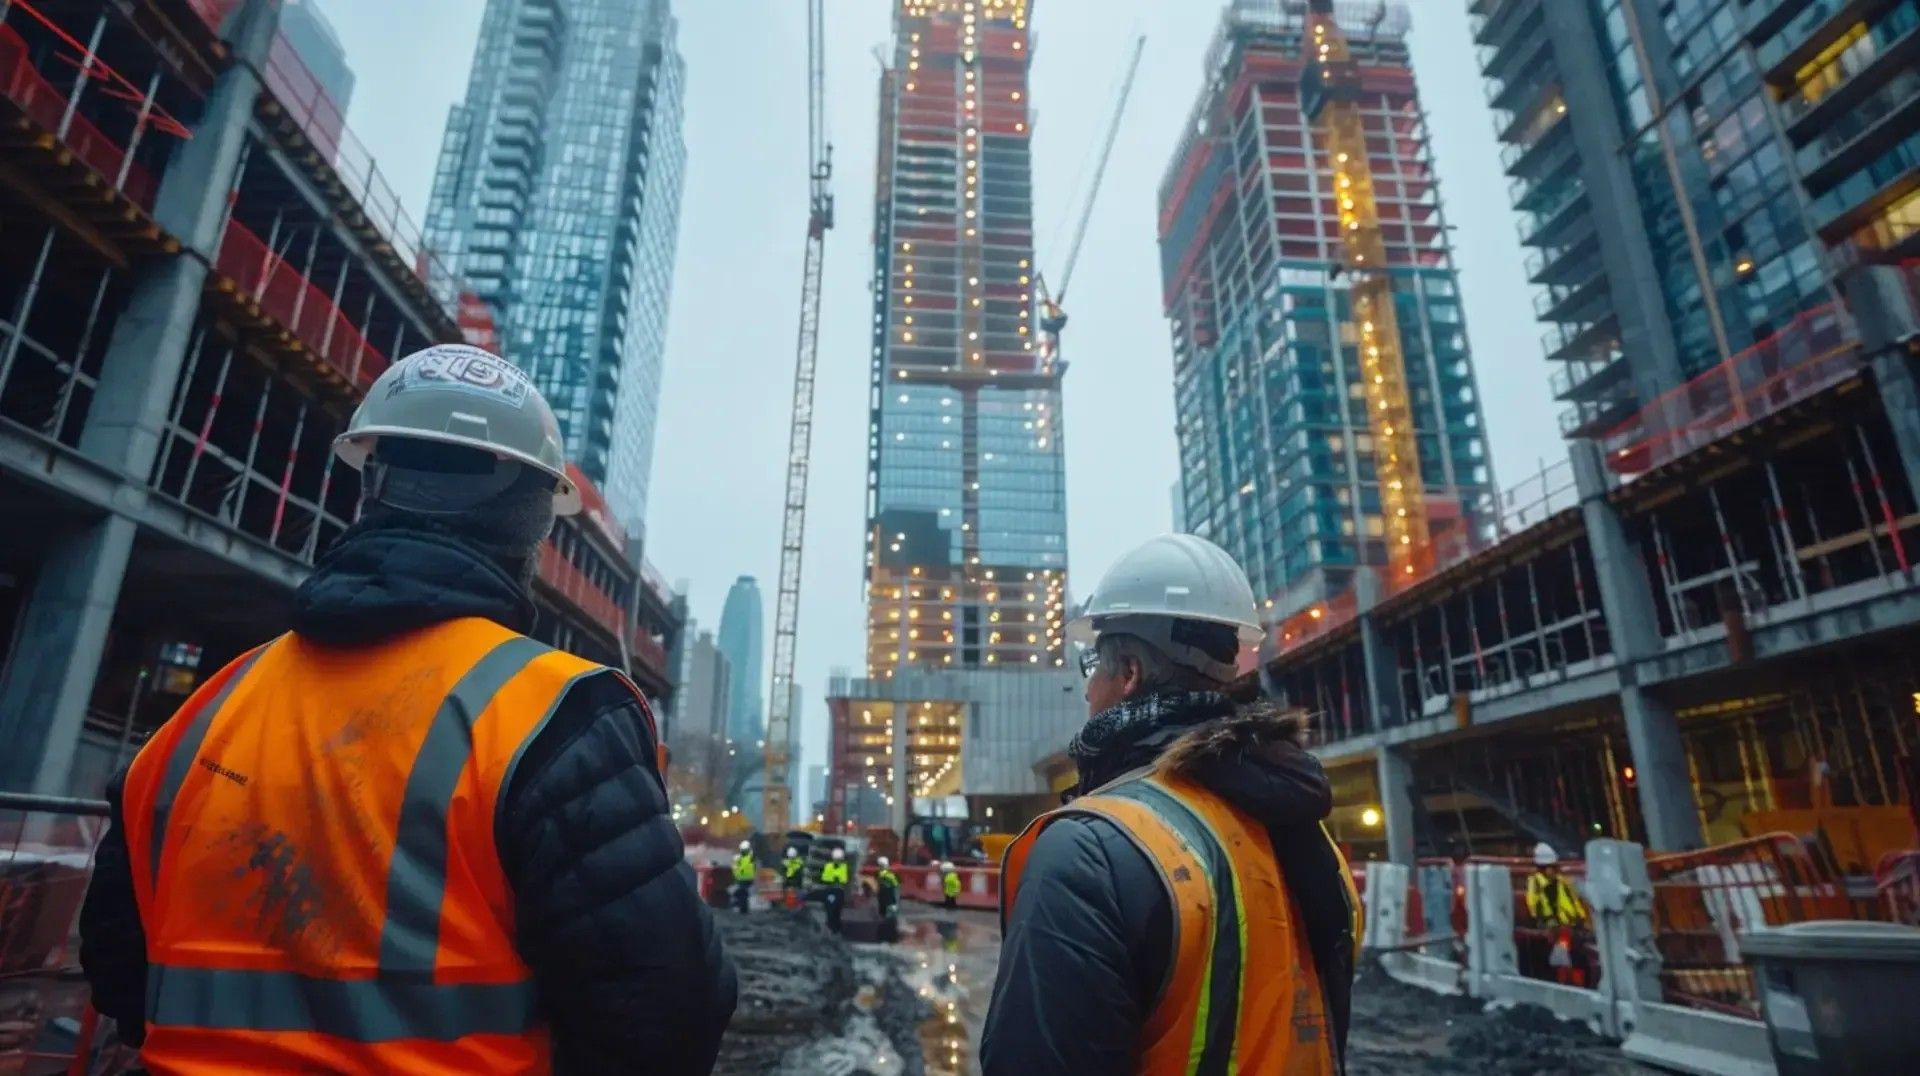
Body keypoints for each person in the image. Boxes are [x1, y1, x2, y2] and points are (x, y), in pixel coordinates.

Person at [77, 345, 736, 1074]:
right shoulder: (555, 716)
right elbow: (666, 1015)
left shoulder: (205, 712)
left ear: (373, 487)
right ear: (531, 524)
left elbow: (114, 965)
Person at [982, 533, 1361, 1075]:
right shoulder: (1310, 839)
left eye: (1093, 665)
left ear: (1129, 672)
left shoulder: (1090, 851)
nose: (1087, 690)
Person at [1526, 842, 1589, 987]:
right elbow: (1535, 904)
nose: (1552, 870)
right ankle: (1564, 981)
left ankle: (1577, 982)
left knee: (1577, 954)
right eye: (1549, 867)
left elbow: (1572, 901)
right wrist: (1546, 921)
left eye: (1553, 867)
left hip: (1569, 925)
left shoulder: (1562, 882)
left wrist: (1580, 918)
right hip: (1552, 926)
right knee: (1559, 955)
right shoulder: (1535, 883)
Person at [820, 847, 851, 933]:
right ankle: (831, 928)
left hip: (837, 891)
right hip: (831, 890)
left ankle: (835, 929)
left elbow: (843, 879)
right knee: (830, 911)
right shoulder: (829, 866)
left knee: (836, 912)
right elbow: (826, 878)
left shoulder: (843, 867)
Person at [875, 855, 901, 938]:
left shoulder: (889, 876)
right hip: (885, 899)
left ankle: (887, 934)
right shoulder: (883, 875)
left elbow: (895, 888)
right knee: (886, 916)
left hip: (889, 899)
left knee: (889, 917)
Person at [732, 840, 757, 914]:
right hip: (747, 879)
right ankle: (742, 907)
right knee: (744, 894)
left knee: (741, 894)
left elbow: (735, 868)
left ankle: (739, 905)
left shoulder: (738, 857)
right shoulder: (751, 858)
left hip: (741, 879)